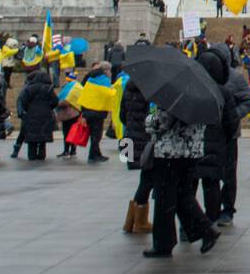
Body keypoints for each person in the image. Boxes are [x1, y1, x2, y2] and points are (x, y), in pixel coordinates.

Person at [142, 104, 221, 259]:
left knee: (164, 198)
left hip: (170, 153)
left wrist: (149, 119)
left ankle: (163, 244)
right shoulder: (197, 99)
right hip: (191, 151)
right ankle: (206, 230)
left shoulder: (175, 100)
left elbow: (162, 122)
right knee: (182, 194)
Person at [197, 43, 250, 227]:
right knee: (208, 176)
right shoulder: (201, 77)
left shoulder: (235, 77)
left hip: (229, 133)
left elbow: (249, 100)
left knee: (228, 175)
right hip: (207, 134)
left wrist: (234, 115)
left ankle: (227, 209)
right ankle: (208, 213)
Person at [120, 64, 155, 235]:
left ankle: (132, 220)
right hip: (147, 138)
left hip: (132, 135)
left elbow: (122, 114)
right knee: (148, 178)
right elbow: (153, 115)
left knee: (146, 177)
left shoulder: (128, 87)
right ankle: (138, 221)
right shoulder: (151, 90)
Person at [15, 69, 58, 161]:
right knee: (43, 138)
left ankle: (32, 155)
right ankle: (41, 155)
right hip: (45, 115)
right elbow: (55, 101)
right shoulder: (49, 88)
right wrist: (48, 107)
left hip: (31, 115)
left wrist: (28, 109)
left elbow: (23, 101)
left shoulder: (29, 88)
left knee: (32, 137)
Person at [80, 62, 113, 162]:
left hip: (88, 109)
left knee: (94, 134)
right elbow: (107, 94)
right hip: (97, 110)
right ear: (106, 70)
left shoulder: (91, 78)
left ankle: (98, 154)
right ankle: (92, 156)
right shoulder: (104, 80)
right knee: (96, 135)